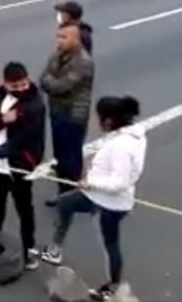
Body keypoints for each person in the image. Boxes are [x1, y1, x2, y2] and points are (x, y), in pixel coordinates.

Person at [40, 96, 146, 301]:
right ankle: (55, 251)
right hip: (96, 195)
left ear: (108, 121)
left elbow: (119, 183)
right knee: (65, 203)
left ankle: (111, 288)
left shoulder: (121, 146)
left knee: (109, 246)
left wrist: (91, 183)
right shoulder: (132, 136)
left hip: (108, 203)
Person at [0, 61, 46, 271]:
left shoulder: (34, 105)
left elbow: (21, 141)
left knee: (24, 208)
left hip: (20, 162)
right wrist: (4, 120)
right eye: (14, 86)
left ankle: (28, 250)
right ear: (5, 83)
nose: (20, 90)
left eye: (23, 85)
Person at [41, 22, 95, 207]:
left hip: (73, 115)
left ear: (76, 39)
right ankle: (64, 191)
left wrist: (51, 82)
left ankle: (70, 195)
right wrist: (50, 82)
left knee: (71, 158)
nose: (59, 40)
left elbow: (61, 86)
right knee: (60, 155)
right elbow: (44, 78)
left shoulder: (83, 62)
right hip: (57, 112)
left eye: (64, 37)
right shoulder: (57, 54)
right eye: (58, 36)